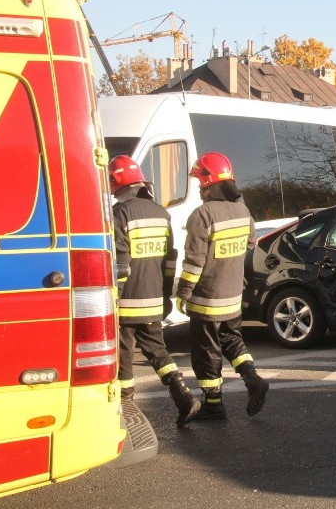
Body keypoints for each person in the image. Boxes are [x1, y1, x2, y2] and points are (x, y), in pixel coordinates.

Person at [108, 155, 201, 428]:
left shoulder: (118, 214)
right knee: (158, 352)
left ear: (115, 183)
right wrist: (164, 295)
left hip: (127, 302)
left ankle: (125, 411)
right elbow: (170, 259)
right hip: (153, 299)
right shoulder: (161, 213)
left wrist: (114, 298)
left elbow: (120, 265)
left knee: (124, 357)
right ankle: (183, 395)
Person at [176, 152, 269, 420]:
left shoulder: (202, 215)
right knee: (232, 340)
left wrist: (183, 293)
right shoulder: (243, 211)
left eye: (199, 182)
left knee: (206, 352)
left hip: (206, 298)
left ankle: (214, 405)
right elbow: (251, 244)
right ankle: (253, 380)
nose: (198, 188)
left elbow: (194, 262)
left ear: (207, 183)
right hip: (232, 296)